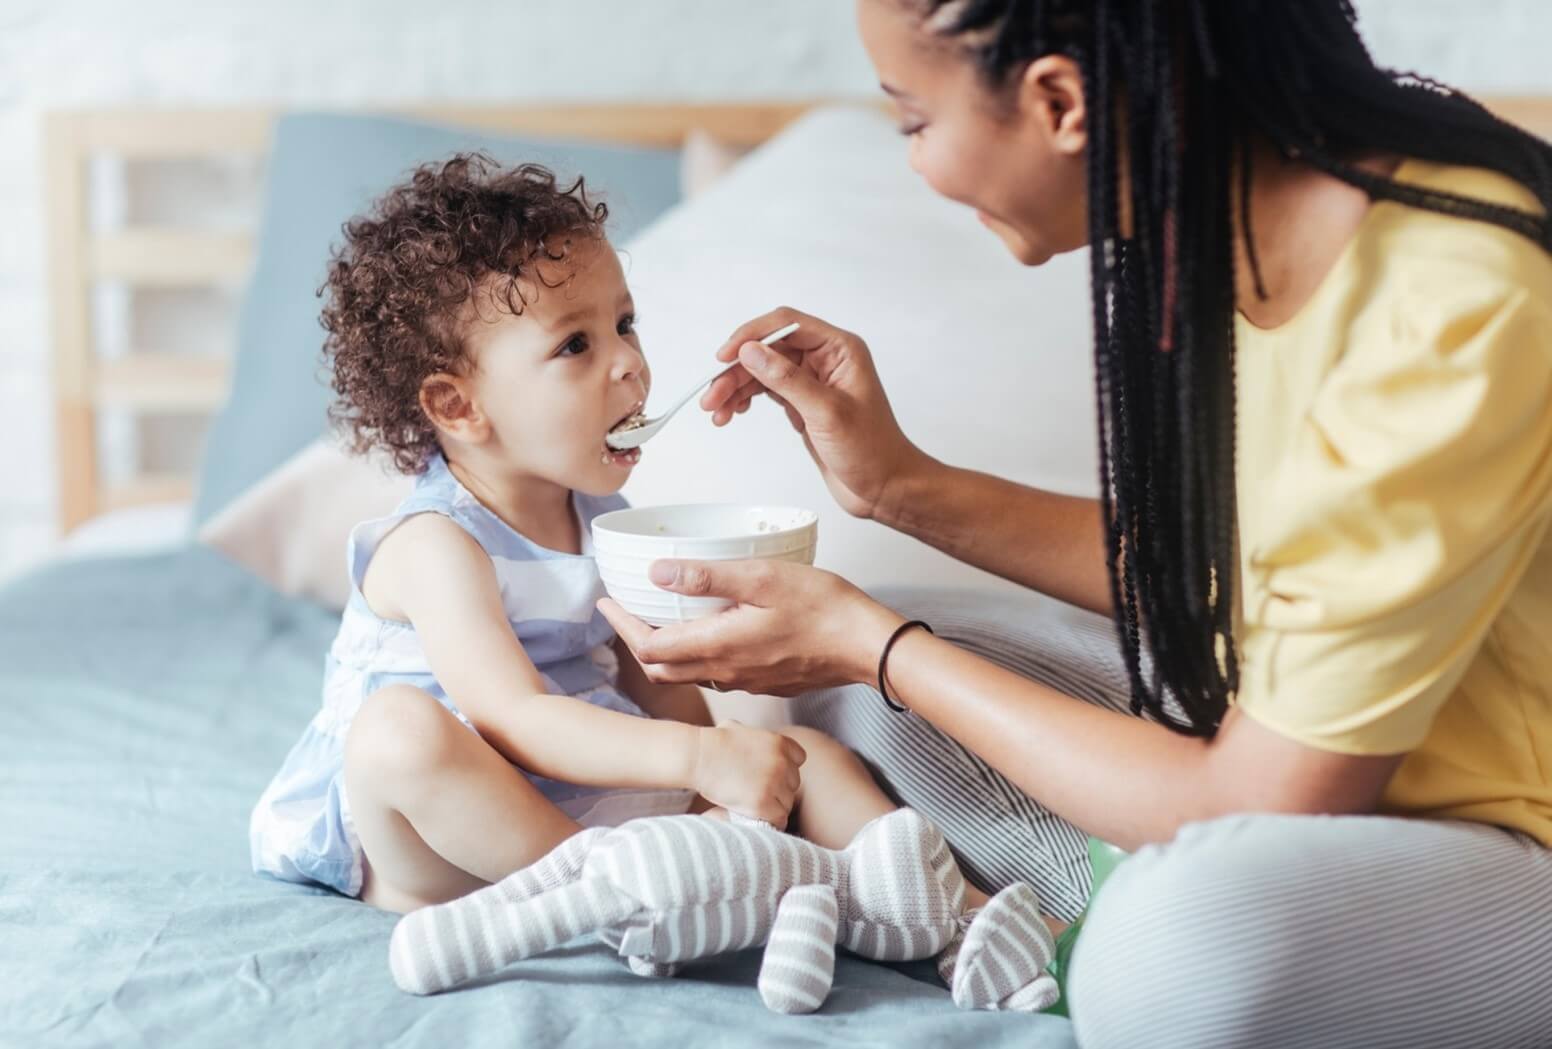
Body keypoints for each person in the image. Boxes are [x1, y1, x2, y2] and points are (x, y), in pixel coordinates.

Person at [600, 2, 1552, 1045]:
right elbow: (1230, 582)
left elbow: (1259, 797)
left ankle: (1100, 894)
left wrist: (871, 644)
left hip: (1505, 833)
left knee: (1168, 949)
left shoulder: (1447, 304)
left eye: (913, 120)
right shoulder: (1234, 228)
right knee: (858, 688)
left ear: (1059, 101)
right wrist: (893, 488)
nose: (913, 158)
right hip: (1330, 753)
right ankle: (1089, 861)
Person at [249, 155, 925, 920]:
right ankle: (625, 899)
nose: (630, 363)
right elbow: (517, 717)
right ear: (457, 405)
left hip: (585, 810)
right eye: (576, 345)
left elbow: (651, 680)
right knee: (395, 736)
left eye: (625, 324)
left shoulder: (605, 521)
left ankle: (960, 918)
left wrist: (722, 771)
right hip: (450, 842)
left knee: (812, 761)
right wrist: (697, 759)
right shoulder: (435, 545)